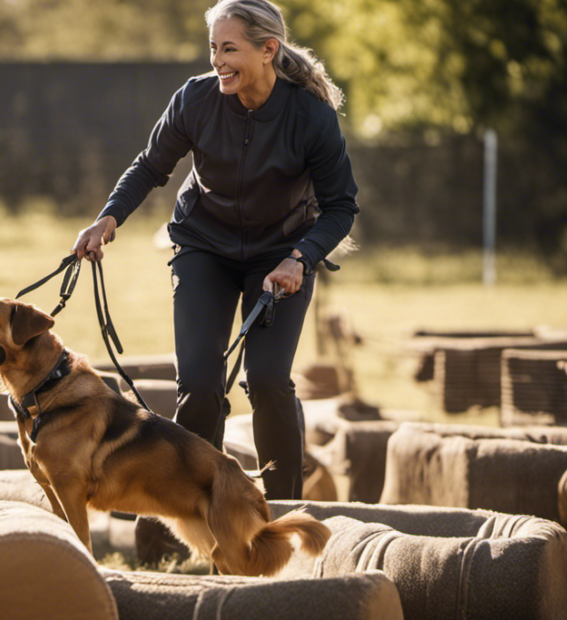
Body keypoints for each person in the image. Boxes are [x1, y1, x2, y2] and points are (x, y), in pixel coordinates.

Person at [71, 0, 358, 501]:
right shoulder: (196, 100)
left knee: (268, 381)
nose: (217, 61)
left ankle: (283, 512)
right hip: (204, 248)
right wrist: (107, 218)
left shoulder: (310, 116)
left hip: (281, 259)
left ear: (268, 50)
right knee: (200, 387)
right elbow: (148, 167)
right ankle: (202, 515)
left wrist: (300, 257)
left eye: (230, 49)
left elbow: (340, 207)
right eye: (213, 49)